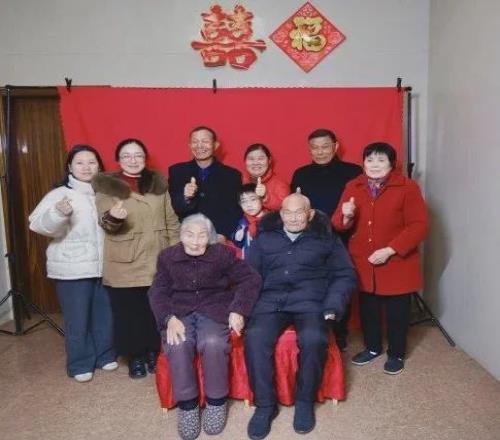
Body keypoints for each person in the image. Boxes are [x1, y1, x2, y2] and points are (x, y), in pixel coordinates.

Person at [245, 193, 357, 439]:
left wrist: (332, 305)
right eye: (288, 213)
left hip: (311, 301)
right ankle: (265, 405)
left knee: (314, 338)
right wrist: (240, 309)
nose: (293, 218)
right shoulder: (264, 238)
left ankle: (305, 401)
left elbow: (344, 274)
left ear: (310, 214)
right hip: (271, 301)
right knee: (254, 338)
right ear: (280, 214)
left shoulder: (326, 238)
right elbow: (248, 277)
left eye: (299, 212)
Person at [149, 214, 261, 440]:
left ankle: (216, 402)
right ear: (181, 236)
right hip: (179, 311)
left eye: (202, 236)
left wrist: (238, 309)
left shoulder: (222, 254)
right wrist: (168, 318)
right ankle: (188, 406)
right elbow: (157, 291)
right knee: (178, 344)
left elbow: (251, 279)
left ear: (209, 237)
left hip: (214, 308)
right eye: (189, 235)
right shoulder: (168, 257)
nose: (195, 242)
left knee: (213, 342)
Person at [332, 142, 429, 375]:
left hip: (397, 262)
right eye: (370, 160)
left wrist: (390, 250)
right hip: (364, 261)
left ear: (391, 163)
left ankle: (397, 353)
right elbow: (338, 224)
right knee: (368, 311)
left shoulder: (408, 187)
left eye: (381, 160)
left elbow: (419, 226)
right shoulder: (353, 185)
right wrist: (346, 216)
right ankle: (373, 347)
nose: (374, 165)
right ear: (363, 163)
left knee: (397, 314)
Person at [92, 138, 180, 379]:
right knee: (128, 313)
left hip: (158, 258)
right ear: (118, 160)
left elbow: (171, 221)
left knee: (154, 310)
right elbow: (105, 223)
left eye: (138, 155)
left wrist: (175, 254)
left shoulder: (158, 184)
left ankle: (153, 352)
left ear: (145, 158)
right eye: (127, 156)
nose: (133, 160)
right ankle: (135, 357)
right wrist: (114, 216)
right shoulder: (107, 187)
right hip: (125, 261)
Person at [29, 144, 116, 383]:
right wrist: (58, 214)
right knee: (77, 318)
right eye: (80, 162)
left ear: (99, 166)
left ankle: (105, 355)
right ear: (69, 167)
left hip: (104, 265)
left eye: (91, 162)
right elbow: (37, 225)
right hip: (72, 267)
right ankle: (80, 363)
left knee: (104, 314)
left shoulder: (106, 193)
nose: (86, 167)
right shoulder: (59, 194)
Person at [291, 128, 362, 351]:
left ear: (336, 146)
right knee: (313, 285)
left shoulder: (353, 171)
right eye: (315, 148)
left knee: (340, 285)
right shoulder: (301, 174)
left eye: (325, 147)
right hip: (310, 238)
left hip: (343, 237)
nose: (320, 152)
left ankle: (339, 335)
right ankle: (316, 332)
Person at [168, 126, 242, 240]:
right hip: (185, 237)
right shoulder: (177, 171)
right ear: (189, 145)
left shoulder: (232, 175)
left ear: (215, 145)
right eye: (195, 142)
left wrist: (223, 234)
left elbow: (234, 211)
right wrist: (185, 197)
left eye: (205, 141)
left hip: (217, 237)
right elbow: (172, 208)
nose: (199, 146)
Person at [243, 143, 289, 211]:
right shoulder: (239, 180)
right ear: (245, 161)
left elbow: (286, 207)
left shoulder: (280, 184)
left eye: (260, 159)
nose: (256, 163)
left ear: (269, 160)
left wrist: (266, 197)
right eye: (251, 159)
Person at [232, 183, 267, 259]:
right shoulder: (243, 222)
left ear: (262, 199)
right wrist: (238, 238)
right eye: (244, 201)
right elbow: (238, 244)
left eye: (253, 199)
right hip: (248, 260)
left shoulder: (270, 220)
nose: (248, 205)